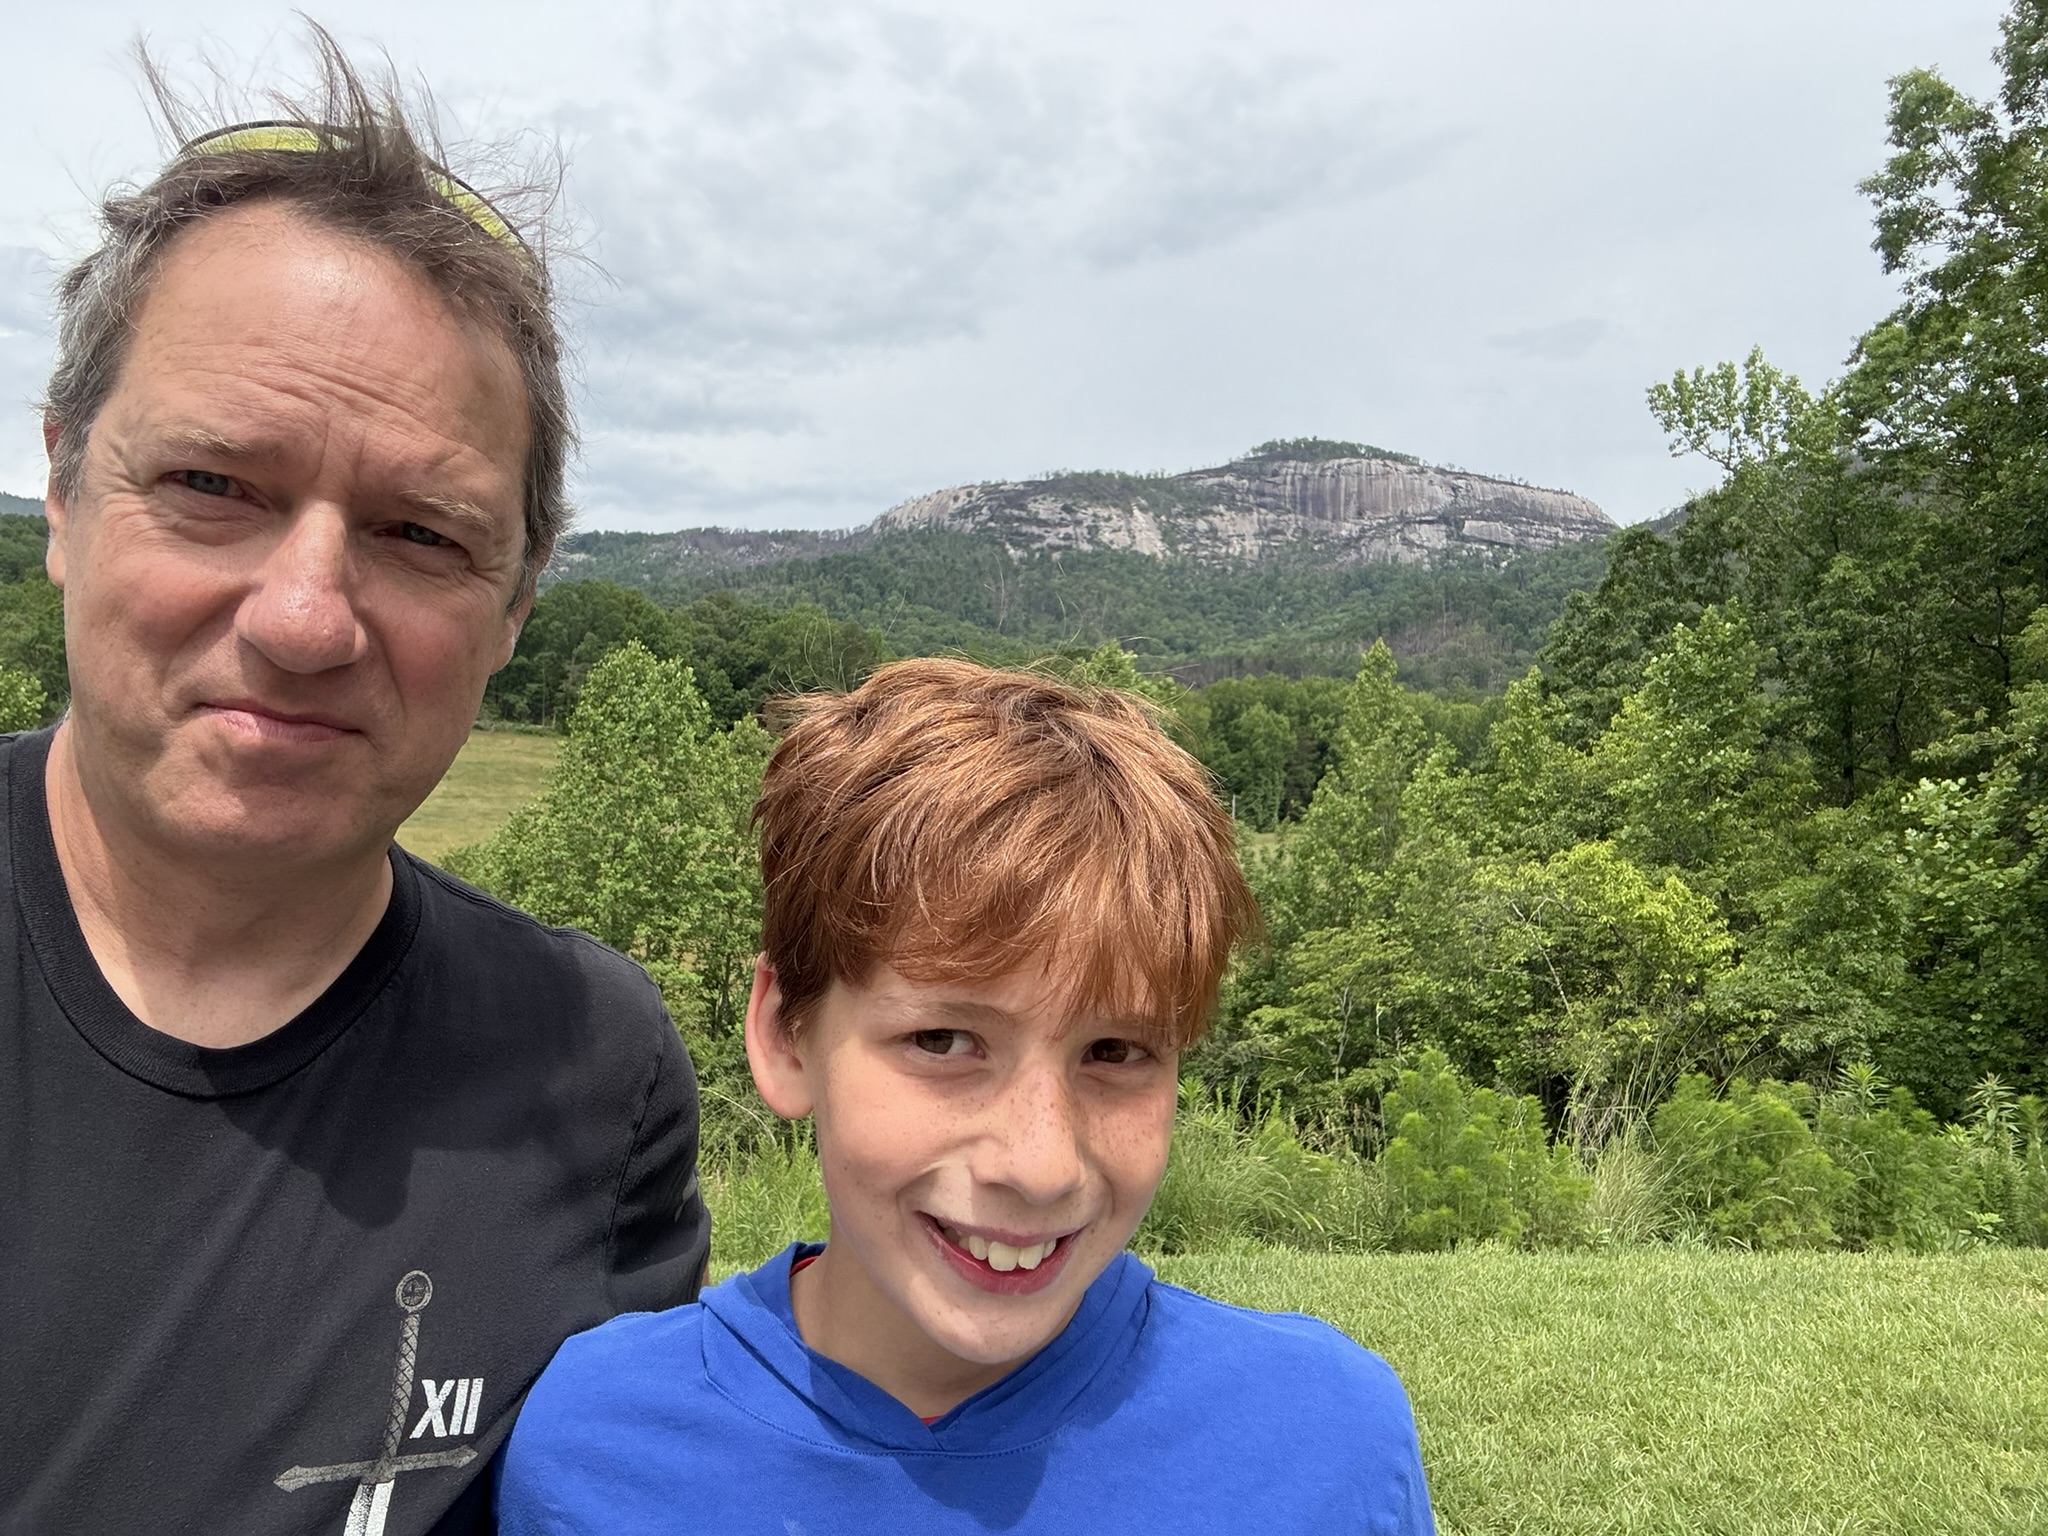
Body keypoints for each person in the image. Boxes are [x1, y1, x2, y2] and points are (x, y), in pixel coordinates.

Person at [0, 35, 709, 1536]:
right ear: (61, 489)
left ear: (515, 610)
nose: (307, 617)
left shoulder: (589, 1068)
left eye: (420, 535)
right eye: (213, 486)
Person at [496, 658, 1437, 1534]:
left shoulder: (1323, 1445)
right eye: (943, 1041)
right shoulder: (598, 1443)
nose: (1038, 1164)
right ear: (786, 1035)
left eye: (1115, 1051)